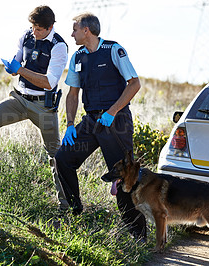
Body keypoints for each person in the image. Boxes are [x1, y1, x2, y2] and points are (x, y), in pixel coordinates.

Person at [54, 13, 147, 240]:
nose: (71, 33)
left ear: (87, 30)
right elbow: (73, 94)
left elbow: (134, 84)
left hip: (116, 122)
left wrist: (112, 111)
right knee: (63, 159)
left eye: (74, 29)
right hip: (90, 122)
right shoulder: (77, 57)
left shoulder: (114, 50)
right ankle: (76, 212)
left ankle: (137, 234)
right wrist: (69, 125)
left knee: (125, 176)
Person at [0, 6, 69, 210]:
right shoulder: (26, 35)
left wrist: (21, 70)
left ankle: (65, 206)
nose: (34, 32)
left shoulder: (59, 46)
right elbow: (18, 59)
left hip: (43, 107)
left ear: (50, 27)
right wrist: (12, 66)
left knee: (56, 155)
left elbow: (49, 82)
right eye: (32, 27)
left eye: (39, 29)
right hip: (19, 100)